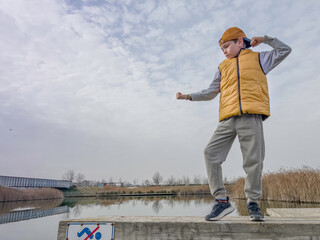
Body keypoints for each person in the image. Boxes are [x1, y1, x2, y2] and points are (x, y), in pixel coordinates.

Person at [176, 27, 291, 221]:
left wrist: (265, 39)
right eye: (222, 49)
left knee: (253, 161)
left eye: (227, 46)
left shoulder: (259, 59)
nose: (225, 51)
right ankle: (222, 202)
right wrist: (188, 96)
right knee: (210, 153)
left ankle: (253, 204)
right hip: (228, 118)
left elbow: (284, 50)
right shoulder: (222, 67)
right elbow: (211, 92)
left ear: (240, 41)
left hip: (251, 116)